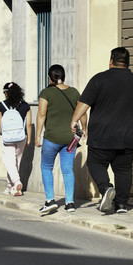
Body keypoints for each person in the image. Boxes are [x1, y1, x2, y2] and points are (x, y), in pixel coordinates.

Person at [70, 47, 133, 214]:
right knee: (124, 169)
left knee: (95, 163)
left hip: (102, 135)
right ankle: (122, 204)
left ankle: (106, 187)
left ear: (111, 61)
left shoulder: (99, 80)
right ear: (128, 63)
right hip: (128, 135)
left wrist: (74, 120)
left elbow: (84, 103)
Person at [35, 65, 85, 214]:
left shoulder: (46, 92)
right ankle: (70, 203)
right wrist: (85, 128)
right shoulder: (74, 92)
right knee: (67, 170)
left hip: (51, 138)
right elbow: (82, 112)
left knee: (46, 167)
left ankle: (50, 200)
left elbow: (41, 114)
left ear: (50, 78)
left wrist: (38, 135)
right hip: (71, 139)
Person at [0, 82, 32, 197]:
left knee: (9, 161)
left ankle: (16, 182)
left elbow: (0, 125)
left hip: (7, 137)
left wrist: (2, 135)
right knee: (16, 161)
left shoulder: (1, 105)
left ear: (6, 93)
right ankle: (10, 186)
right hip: (22, 136)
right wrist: (29, 139)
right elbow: (29, 124)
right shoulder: (25, 106)